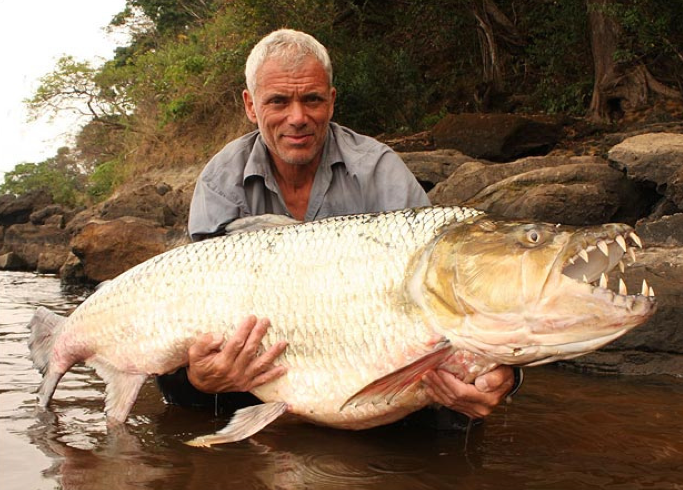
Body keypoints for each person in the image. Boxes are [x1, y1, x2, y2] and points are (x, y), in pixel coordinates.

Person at [157, 28, 519, 427]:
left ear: (331, 101)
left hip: (368, 351)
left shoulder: (379, 169)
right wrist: (199, 378)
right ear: (250, 106)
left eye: (311, 99)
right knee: (180, 389)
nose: (298, 118)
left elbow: (451, 294)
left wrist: (503, 373)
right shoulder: (219, 180)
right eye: (278, 101)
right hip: (263, 361)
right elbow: (193, 304)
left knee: (454, 411)